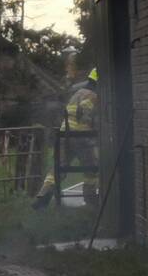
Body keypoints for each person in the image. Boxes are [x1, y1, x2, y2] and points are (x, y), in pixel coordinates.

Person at [33, 67, 99, 209]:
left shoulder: (78, 93)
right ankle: (91, 200)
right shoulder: (92, 96)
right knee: (91, 168)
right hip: (81, 137)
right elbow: (86, 115)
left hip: (64, 135)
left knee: (58, 168)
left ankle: (42, 198)